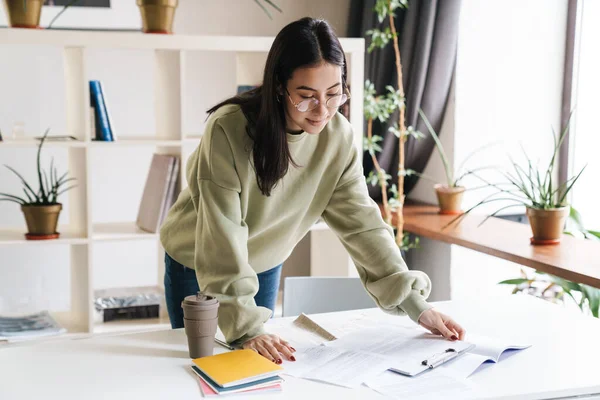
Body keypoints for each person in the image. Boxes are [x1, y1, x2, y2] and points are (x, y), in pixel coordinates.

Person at [159, 17, 465, 365]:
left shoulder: (339, 137)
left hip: (264, 263)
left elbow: (362, 224)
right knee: (195, 369)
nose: (322, 111)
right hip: (198, 261)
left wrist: (416, 305)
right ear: (279, 86)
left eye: (334, 95)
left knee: (258, 368)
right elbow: (221, 234)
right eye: (306, 97)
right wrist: (246, 327)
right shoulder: (228, 129)